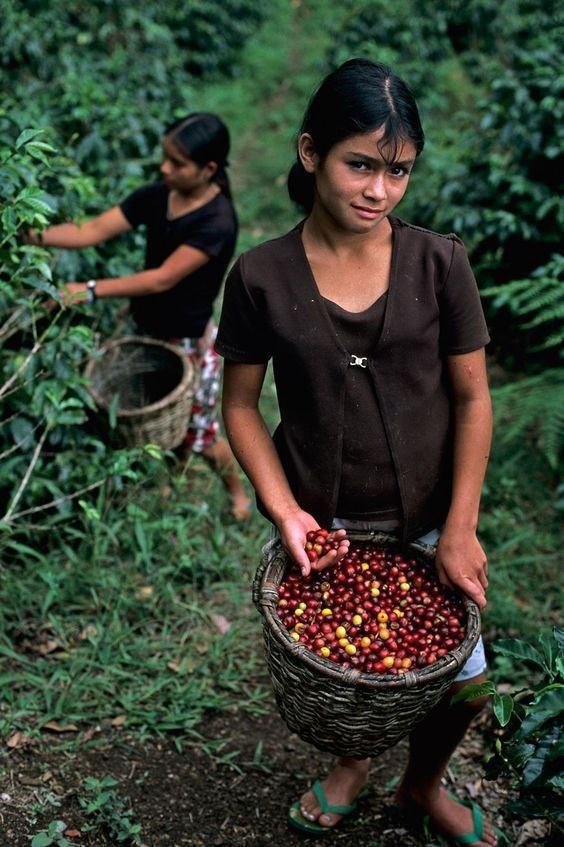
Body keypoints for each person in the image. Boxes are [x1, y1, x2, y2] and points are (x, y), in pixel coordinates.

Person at [216, 59, 506, 845]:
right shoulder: (262, 277)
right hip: (331, 520)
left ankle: (421, 783)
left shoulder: (439, 264)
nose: (379, 190)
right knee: (356, 680)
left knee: (467, 688)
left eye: (399, 171)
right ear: (311, 153)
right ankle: (354, 762)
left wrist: (460, 524)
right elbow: (238, 406)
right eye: (361, 165)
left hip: (429, 515)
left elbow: (474, 398)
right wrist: (288, 512)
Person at [27, 112, 250, 520]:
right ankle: (171, 484)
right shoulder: (157, 195)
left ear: (209, 170)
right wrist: (28, 234)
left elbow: (161, 280)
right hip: (147, 328)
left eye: (177, 163)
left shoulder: (216, 222)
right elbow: (92, 230)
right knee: (160, 424)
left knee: (197, 434)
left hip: (186, 341)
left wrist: (88, 290)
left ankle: (237, 494)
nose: (164, 168)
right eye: (164, 158)